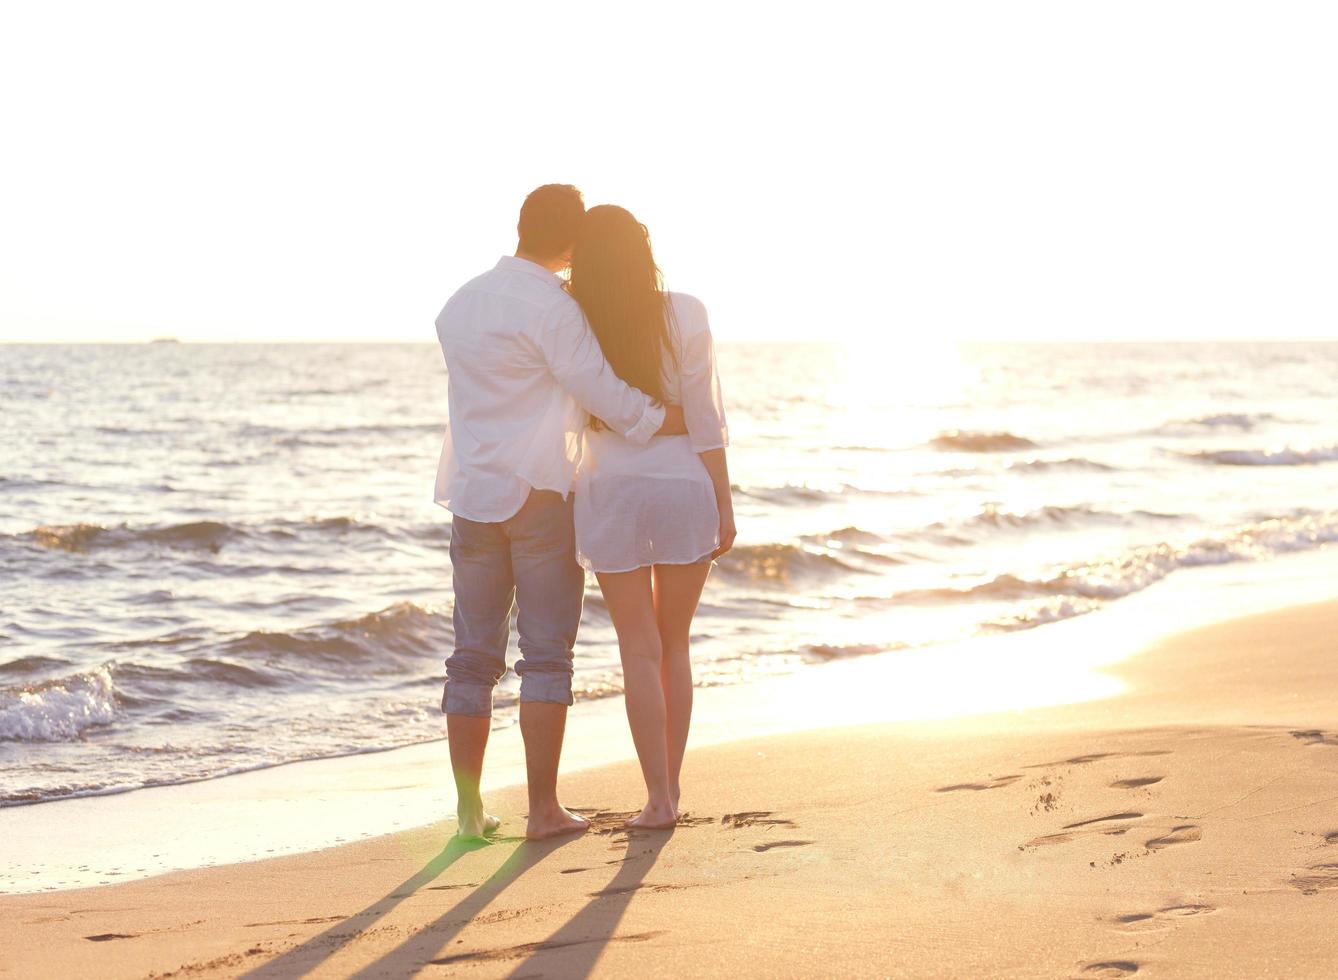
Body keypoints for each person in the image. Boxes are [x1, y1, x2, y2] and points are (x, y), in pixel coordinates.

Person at [433, 185, 687, 840]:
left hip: (472, 497)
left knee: (471, 657)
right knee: (545, 657)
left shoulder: (458, 305)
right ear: (570, 244)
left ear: (521, 228)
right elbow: (596, 386)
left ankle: (469, 814)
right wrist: (663, 420)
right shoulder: (553, 308)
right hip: (541, 494)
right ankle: (542, 811)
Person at [567, 205, 735, 829]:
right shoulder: (686, 312)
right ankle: (673, 793)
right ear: (644, 251)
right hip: (682, 487)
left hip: (610, 491)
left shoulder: (575, 321)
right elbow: (704, 416)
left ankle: (656, 797)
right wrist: (724, 499)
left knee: (637, 650)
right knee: (674, 646)